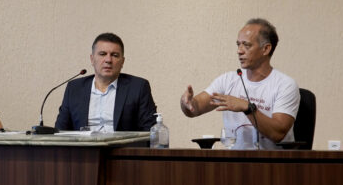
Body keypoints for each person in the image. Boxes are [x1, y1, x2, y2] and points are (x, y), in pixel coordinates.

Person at [180, 18, 300, 148]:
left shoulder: (285, 85)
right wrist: (186, 103)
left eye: (246, 45)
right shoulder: (227, 80)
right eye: (238, 45)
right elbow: (195, 109)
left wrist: (248, 108)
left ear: (266, 49)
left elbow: (277, 133)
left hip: (272, 165)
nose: (239, 51)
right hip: (234, 164)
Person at [55, 32, 157, 132]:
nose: (108, 60)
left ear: (122, 61)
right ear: (92, 59)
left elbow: (149, 131)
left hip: (121, 148)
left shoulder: (138, 87)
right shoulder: (74, 88)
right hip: (85, 148)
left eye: (115, 55)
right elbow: (60, 131)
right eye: (102, 54)